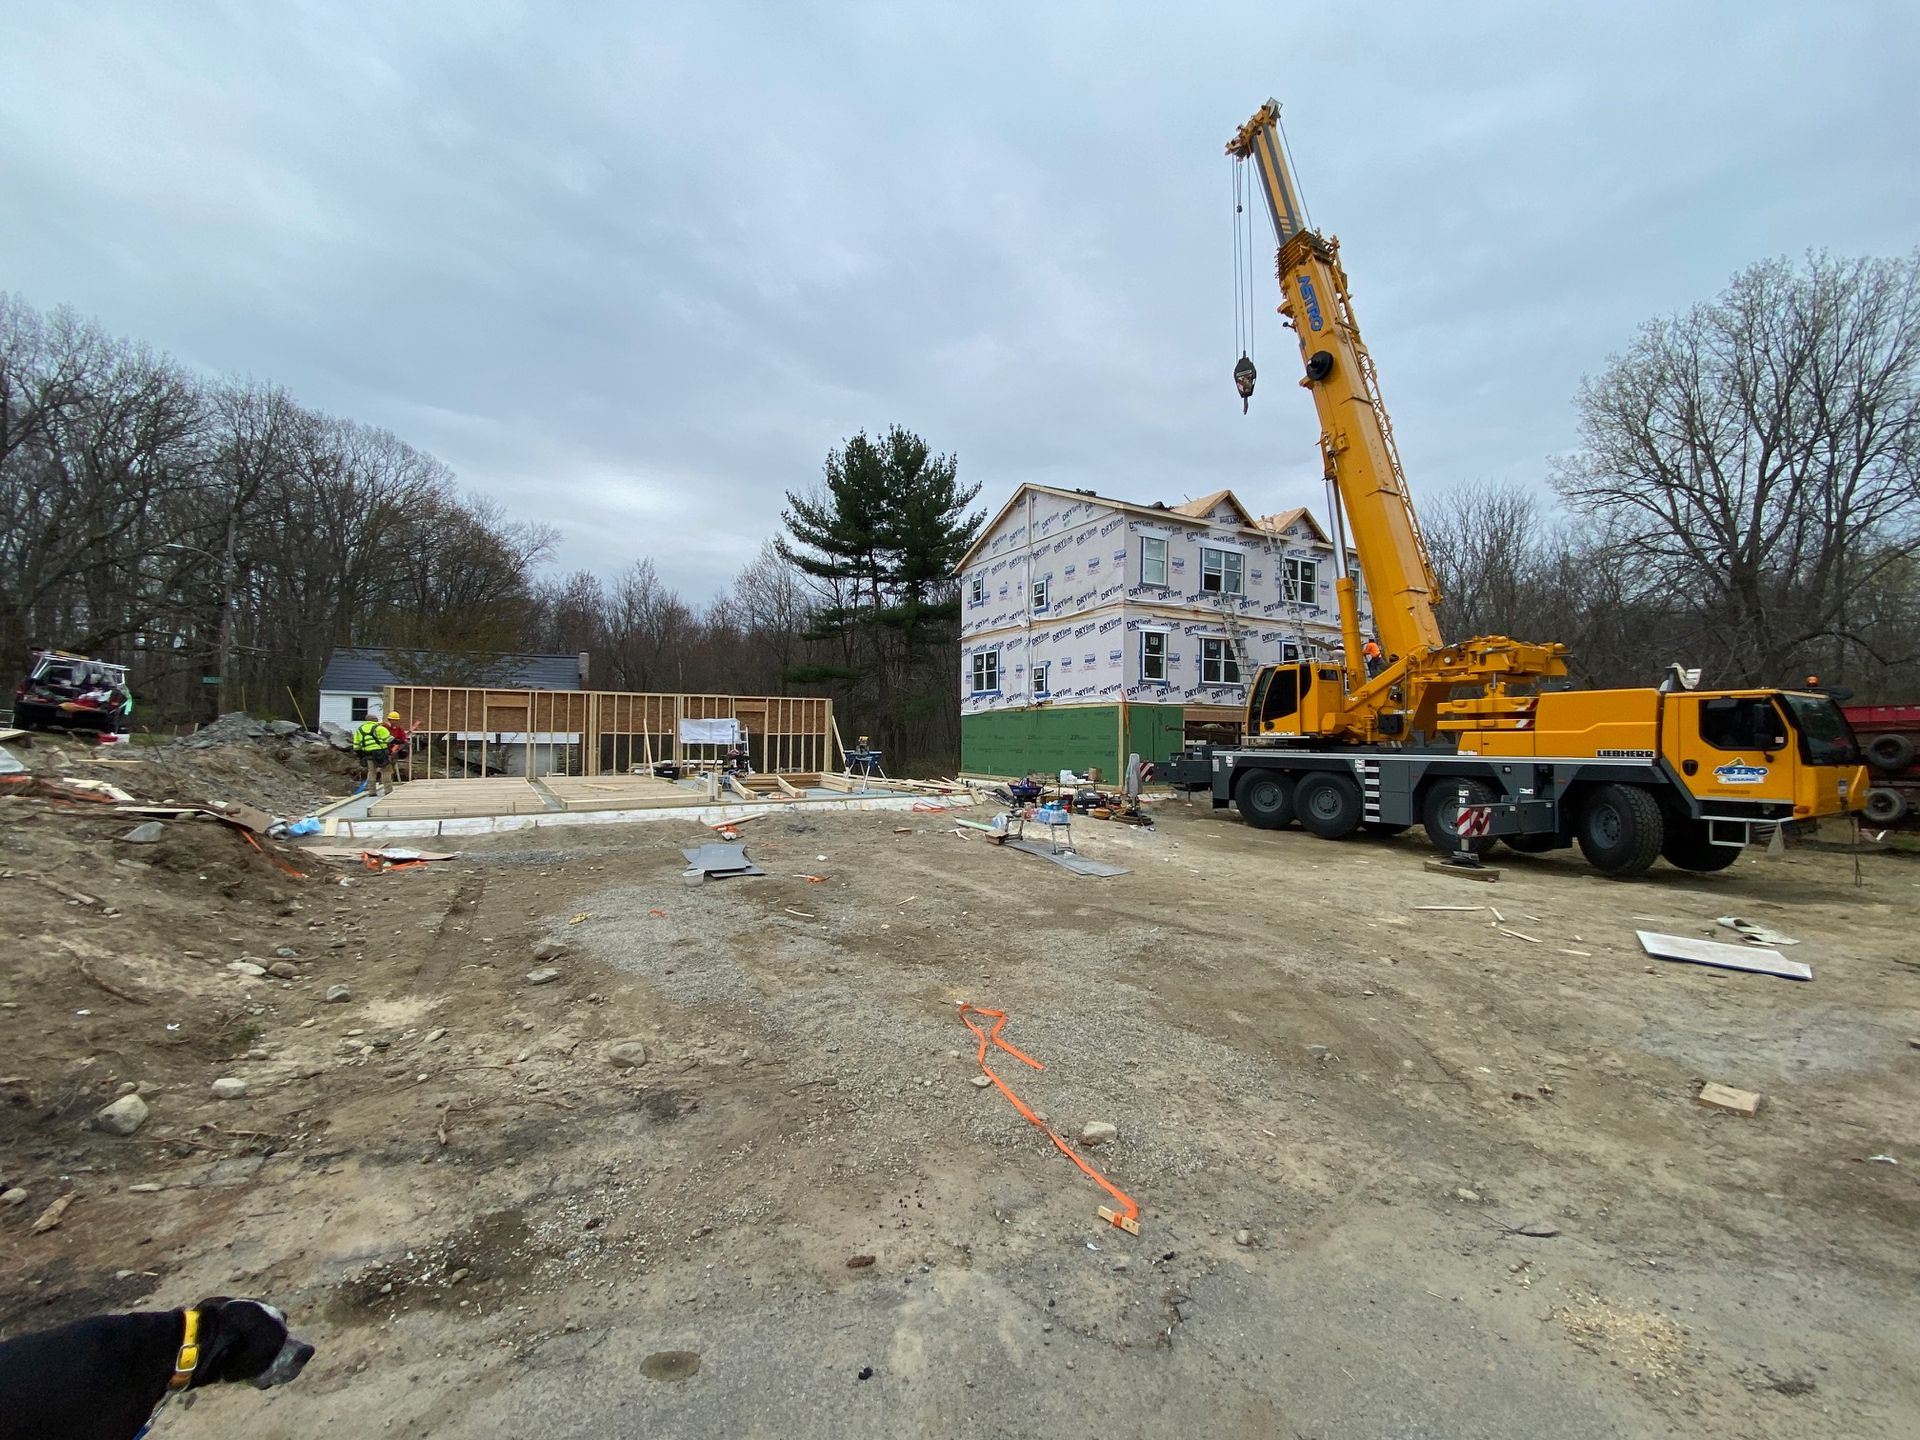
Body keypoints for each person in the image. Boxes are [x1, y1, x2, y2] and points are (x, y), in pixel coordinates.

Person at [353, 712, 396, 796]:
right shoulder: (379, 728)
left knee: (371, 772)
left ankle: (372, 791)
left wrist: (361, 755)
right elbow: (389, 739)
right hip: (381, 753)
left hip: (368, 753)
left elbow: (356, 746)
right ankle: (388, 790)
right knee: (386, 771)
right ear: (375, 720)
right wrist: (397, 741)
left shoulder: (359, 730)